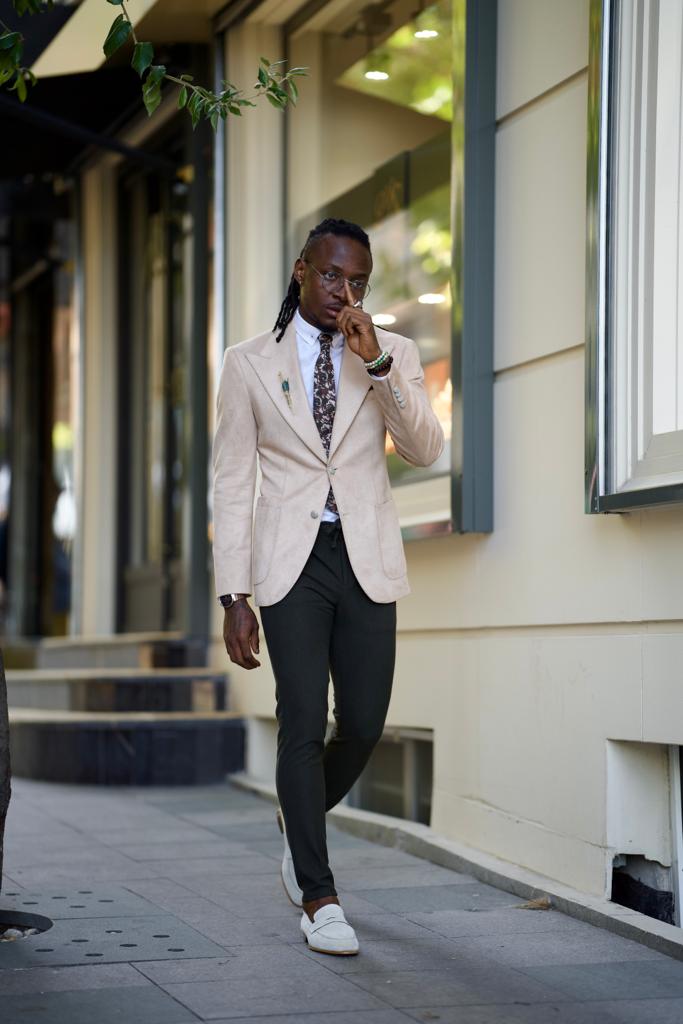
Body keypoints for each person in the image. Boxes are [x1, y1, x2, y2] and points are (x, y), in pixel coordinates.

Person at [212, 217, 444, 955]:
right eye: (332, 276)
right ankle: (319, 895)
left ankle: (297, 814)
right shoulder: (247, 363)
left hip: (364, 555)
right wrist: (233, 594)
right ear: (301, 271)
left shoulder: (389, 351)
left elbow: (423, 449)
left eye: (358, 282)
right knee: (302, 718)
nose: (344, 291)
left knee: (366, 722)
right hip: (290, 562)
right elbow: (231, 481)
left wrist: (374, 365)